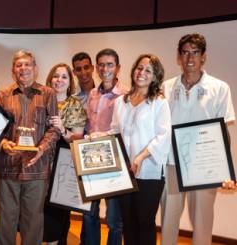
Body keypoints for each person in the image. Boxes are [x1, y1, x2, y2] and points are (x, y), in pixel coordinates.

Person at [160, 33, 235, 245]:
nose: (189, 58)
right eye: (185, 53)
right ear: (178, 57)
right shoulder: (166, 87)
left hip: (204, 167)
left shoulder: (220, 88)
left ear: (203, 57)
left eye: (195, 53)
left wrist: (225, 171)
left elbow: (223, 133)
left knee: (202, 221)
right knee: (168, 220)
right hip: (173, 163)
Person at [94, 54, 171, 245]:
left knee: (144, 222)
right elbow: (115, 131)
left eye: (148, 70)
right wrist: (99, 136)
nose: (141, 73)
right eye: (139, 68)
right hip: (124, 172)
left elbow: (163, 135)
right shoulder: (122, 101)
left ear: (155, 76)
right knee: (127, 222)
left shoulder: (159, 102)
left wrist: (141, 157)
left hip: (149, 172)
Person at [0, 50, 61, 245]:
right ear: (13, 70)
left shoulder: (48, 94)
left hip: (37, 169)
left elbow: (54, 129)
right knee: (6, 221)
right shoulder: (3, 95)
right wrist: (2, 143)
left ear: (36, 69)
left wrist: (41, 149)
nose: (23, 68)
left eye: (27, 64)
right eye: (19, 65)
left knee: (33, 222)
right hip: (8, 166)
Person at [84, 48, 127, 245]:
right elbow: (88, 125)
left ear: (118, 68)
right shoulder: (92, 94)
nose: (105, 68)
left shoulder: (126, 95)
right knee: (88, 214)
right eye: (101, 64)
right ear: (96, 68)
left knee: (114, 219)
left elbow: (125, 130)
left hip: (115, 163)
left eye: (110, 64)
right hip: (92, 161)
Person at [43, 63, 87, 245]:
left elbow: (76, 139)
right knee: (38, 212)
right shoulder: (41, 100)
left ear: (70, 82)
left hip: (62, 168)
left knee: (57, 215)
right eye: (56, 76)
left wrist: (62, 129)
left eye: (64, 77)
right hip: (39, 167)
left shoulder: (75, 104)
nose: (59, 80)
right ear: (49, 79)